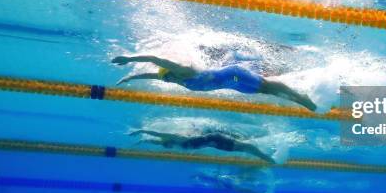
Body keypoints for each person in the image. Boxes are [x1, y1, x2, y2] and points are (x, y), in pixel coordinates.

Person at [112, 55, 317, 111]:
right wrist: (130, 77)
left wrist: (129, 59)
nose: (169, 81)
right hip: (234, 84)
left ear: (172, 72)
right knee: (268, 91)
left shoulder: (183, 70)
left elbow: (156, 60)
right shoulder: (175, 80)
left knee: (267, 87)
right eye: (166, 80)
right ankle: (302, 96)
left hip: (234, 75)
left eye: (168, 77)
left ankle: (303, 99)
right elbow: (151, 75)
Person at [130, 129, 275, 163]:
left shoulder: (176, 139)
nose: (164, 146)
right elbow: (155, 141)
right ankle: (266, 155)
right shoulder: (171, 145)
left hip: (214, 138)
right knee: (245, 147)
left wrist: (141, 131)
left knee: (247, 147)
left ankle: (268, 157)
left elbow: (156, 134)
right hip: (214, 143)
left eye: (164, 144)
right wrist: (142, 141)